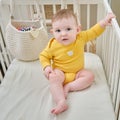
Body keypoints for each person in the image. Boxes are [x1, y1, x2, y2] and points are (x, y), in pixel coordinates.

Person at [39, 9, 115, 115]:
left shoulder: (81, 38)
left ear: (77, 30)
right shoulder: (52, 45)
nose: (63, 34)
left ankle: (69, 87)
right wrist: (46, 67)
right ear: (52, 32)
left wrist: (103, 22)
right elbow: (43, 56)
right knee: (53, 78)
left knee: (90, 76)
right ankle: (61, 101)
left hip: (77, 73)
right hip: (61, 73)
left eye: (68, 29)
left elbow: (93, 32)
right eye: (58, 31)